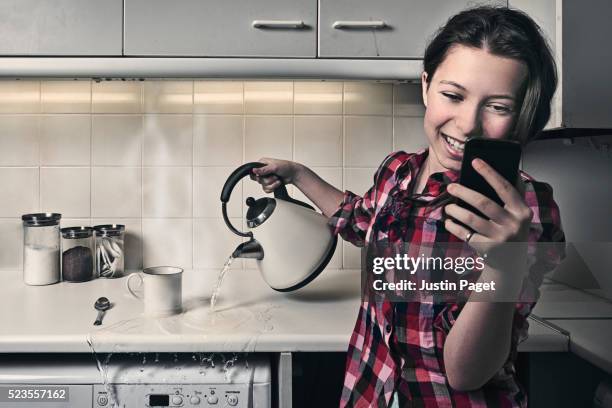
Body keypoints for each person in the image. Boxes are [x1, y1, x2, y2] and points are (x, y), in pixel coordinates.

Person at [251, 6, 565, 407]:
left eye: (498, 106)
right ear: (425, 86)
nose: (468, 124)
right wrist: (298, 174)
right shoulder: (399, 171)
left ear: (522, 113)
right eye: (453, 95)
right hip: (370, 393)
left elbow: (466, 372)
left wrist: (504, 264)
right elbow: (359, 221)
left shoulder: (525, 211)